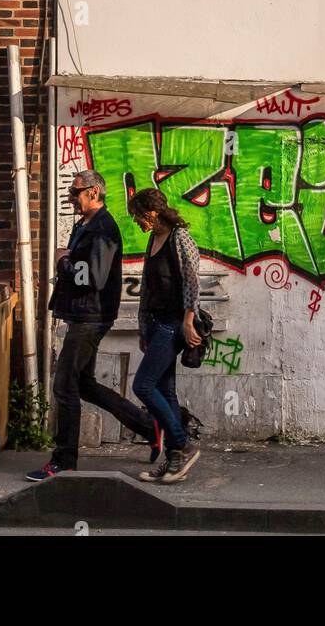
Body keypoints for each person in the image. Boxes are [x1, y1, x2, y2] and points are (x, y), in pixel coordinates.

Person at [26, 169, 160, 481]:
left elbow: (93, 278)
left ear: (94, 193)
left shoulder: (103, 229)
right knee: (83, 385)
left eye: (76, 193)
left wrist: (63, 262)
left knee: (64, 385)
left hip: (90, 316)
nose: (71, 198)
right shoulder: (85, 224)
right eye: (72, 193)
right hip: (81, 313)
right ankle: (148, 426)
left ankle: (64, 460)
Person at [128, 187, 203, 484]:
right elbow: (148, 288)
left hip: (173, 324)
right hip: (156, 324)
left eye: (137, 216)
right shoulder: (153, 238)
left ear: (151, 213)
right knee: (166, 390)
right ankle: (175, 460)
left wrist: (188, 321)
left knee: (143, 386)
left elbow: (191, 281)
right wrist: (142, 327)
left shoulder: (179, 237)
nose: (136, 222)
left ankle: (181, 442)